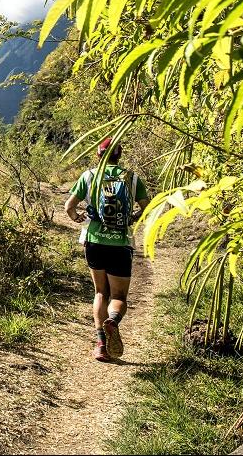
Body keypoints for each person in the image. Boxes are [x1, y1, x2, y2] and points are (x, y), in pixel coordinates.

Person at [64, 138, 150, 362]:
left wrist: (77, 218)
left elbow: (69, 207)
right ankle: (113, 319)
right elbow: (147, 207)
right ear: (119, 156)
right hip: (120, 244)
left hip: (94, 240)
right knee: (119, 295)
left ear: (99, 156)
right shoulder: (131, 178)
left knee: (101, 292)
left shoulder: (89, 176)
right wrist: (133, 218)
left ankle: (101, 344)